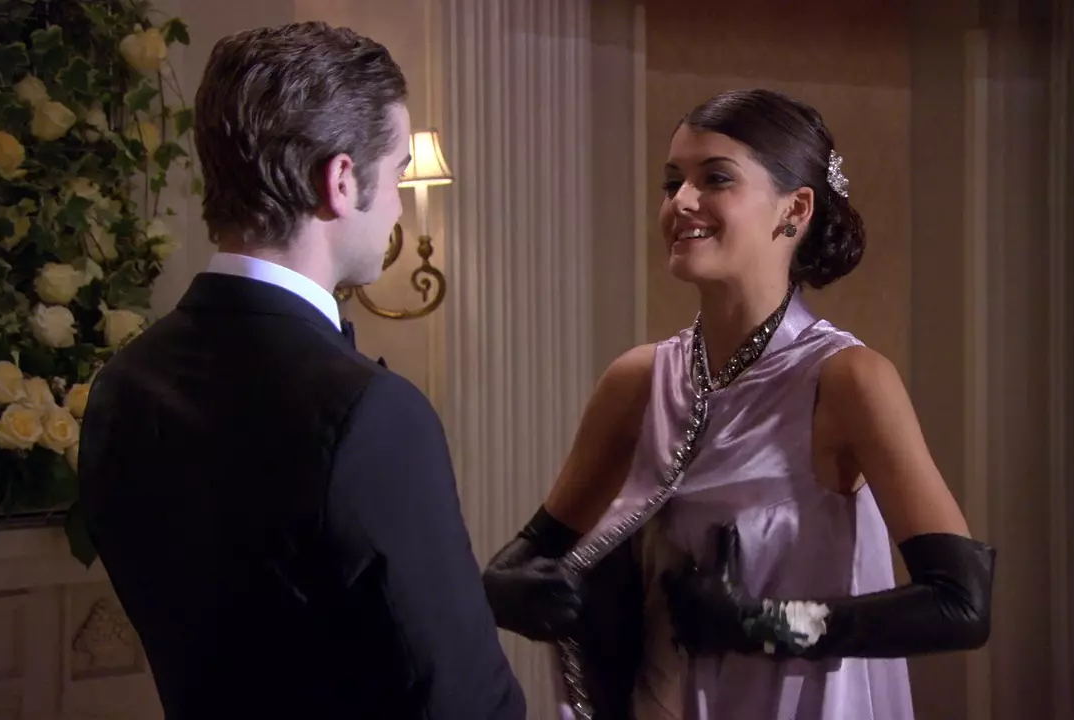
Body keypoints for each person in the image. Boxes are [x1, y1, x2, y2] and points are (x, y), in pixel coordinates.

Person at [482, 89, 996, 720]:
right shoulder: (637, 381)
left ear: (795, 209)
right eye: (672, 182)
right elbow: (530, 555)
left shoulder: (848, 381)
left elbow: (961, 604)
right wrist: (502, 588)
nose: (681, 202)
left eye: (715, 178)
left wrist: (757, 623)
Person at [77, 22, 524, 720]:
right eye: (398, 170)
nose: (398, 202)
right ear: (341, 181)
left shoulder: (122, 385)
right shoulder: (372, 413)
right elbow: (465, 702)